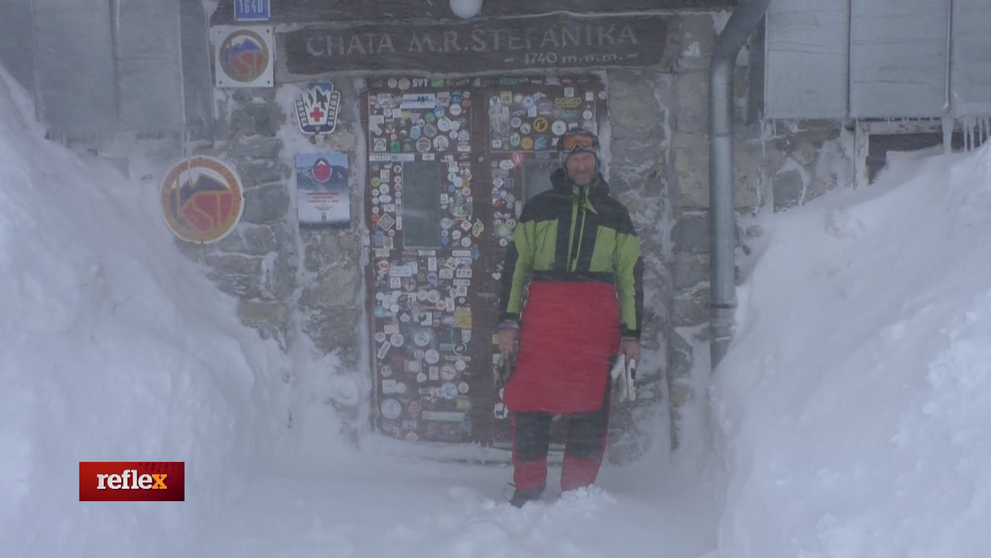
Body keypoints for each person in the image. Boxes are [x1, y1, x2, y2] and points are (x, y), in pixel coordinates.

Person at [496, 127, 644, 507]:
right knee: (530, 402)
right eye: (575, 158)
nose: (581, 164)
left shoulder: (616, 214)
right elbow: (516, 268)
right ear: (566, 163)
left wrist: (631, 335)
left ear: (597, 163)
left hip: (596, 326)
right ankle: (528, 487)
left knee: (591, 407)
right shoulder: (539, 208)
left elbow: (629, 278)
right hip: (545, 320)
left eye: (588, 158)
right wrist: (509, 323)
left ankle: (578, 493)